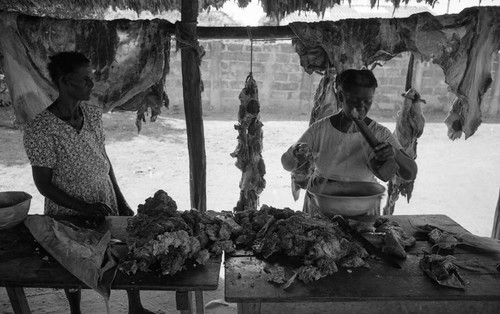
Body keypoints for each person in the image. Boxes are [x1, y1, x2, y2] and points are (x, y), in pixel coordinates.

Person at [23, 51, 154, 314]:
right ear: (64, 82)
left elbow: (104, 160)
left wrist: (119, 199)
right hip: (69, 210)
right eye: (84, 79)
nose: (91, 84)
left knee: (121, 252)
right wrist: (83, 207)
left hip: (103, 200)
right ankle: (76, 311)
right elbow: (44, 186)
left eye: (90, 77)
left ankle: (135, 307)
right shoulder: (40, 129)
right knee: (73, 262)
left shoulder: (92, 115)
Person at [281, 69, 418, 216]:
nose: (361, 107)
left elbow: (410, 173)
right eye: (354, 101)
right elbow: (287, 164)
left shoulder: (380, 133)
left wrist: (394, 153)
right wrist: (295, 151)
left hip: (362, 207)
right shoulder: (320, 129)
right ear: (341, 96)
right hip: (321, 204)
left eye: (367, 101)